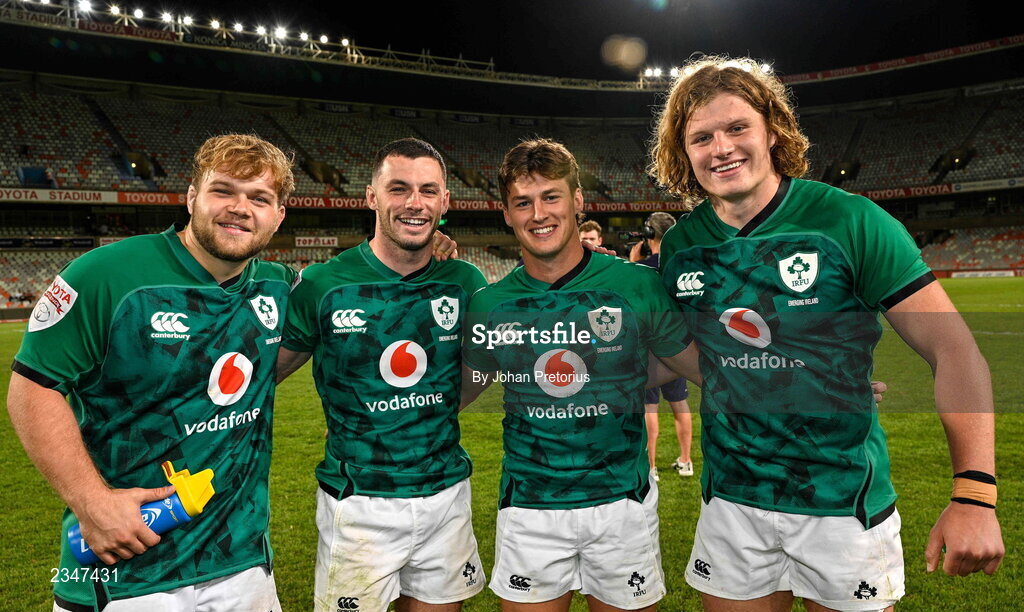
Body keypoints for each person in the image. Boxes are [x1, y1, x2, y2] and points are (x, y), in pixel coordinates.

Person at [649, 56, 1004, 611]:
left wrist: (976, 494)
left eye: (737, 127)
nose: (721, 148)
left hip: (843, 504)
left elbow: (954, 349)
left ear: (772, 129)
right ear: (682, 150)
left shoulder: (851, 221)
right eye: (701, 137)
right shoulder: (681, 247)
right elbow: (691, 354)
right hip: (733, 503)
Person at [8, 134, 295, 611]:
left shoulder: (279, 286)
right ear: (191, 197)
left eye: (259, 198)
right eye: (223, 190)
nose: (240, 208)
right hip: (127, 569)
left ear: (278, 215)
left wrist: (434, 247)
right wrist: (92, 503)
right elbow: (32, 388)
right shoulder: (105, 275)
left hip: (241, 565)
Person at [462, 138, 699, 612]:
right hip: (531, 505)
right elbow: (454, 393)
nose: (538, 214)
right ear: (506, 214)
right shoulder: (490, 305)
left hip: (621, 503)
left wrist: (825, 382)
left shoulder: (636, 286)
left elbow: (709, 368)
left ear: (577, 201)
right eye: (522, 203)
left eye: (551, 197)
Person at [276, 138, 488, 612]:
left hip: (446, 493)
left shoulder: (466, 282)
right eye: (399, 188)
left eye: (428, 190)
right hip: (358, 503)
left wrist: (428, 408)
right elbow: (264, 376)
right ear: (371, 197)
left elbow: (482, 370)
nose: (415, 203)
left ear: (445, 202)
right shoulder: (323, 285)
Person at [629, 212, 694, 480]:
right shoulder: (681, 264)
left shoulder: (642, 267)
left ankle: (652, 466)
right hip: (680, 345)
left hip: (650, 347)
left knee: (649, 409)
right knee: (681, 406)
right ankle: (686, 461)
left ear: (648, 234)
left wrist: (634, 262)